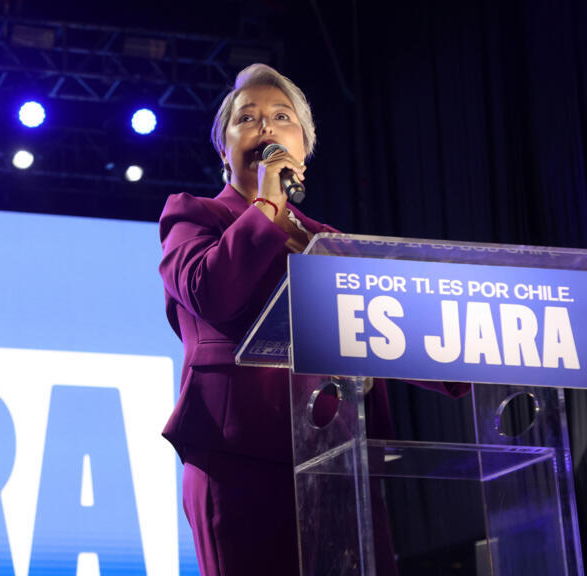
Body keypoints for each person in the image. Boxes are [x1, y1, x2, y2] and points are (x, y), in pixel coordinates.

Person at [158, 64, 469, 575]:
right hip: (239, 458)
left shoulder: (333, 242)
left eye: (283, 117)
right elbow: (211, 292)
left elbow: (390, 330)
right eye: (247, 118)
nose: (265, 126)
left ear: (303, 149)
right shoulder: (194, 217)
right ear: (223, 150)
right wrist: (265, 203)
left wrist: (473, 349)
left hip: (340, 460)